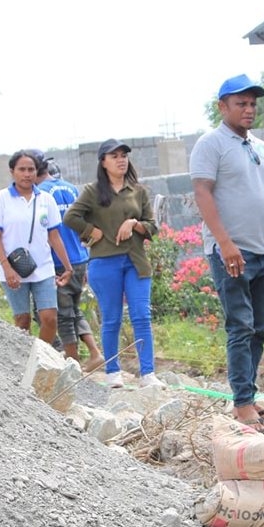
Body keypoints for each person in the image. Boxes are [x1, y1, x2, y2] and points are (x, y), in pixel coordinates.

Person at [190, 73, 264, 434]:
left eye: (252, 103)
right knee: (240, 326)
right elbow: (203, 193)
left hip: (263, 250)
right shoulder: (211, 144)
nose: (249, 109)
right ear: (222, 107)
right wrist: (225, 243)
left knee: (259, 327)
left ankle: (249, 396)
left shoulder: (257, 146)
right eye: (241, 103)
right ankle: (242, 404)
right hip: (230, 251)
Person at [64, 139, 164, 389]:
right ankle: (112, 371)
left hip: (136, 262)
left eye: (124, 155)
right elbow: (70, 217)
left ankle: (148, 373)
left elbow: (152, 225)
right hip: (105, 263)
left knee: (141, 316)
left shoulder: (138, 191)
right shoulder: (93, 191)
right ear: (103, 162)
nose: (121, 160)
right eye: (114, 156)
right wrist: (91, 231)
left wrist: (134, 224)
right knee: (112, 318)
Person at [0, 150, 73, 343]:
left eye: (31, 169)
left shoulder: (46, 199)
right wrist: (6, 268)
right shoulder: (1, 199)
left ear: (37, 172)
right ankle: (24, 364)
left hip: (43, 267)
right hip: (12, 268)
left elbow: (54, 236)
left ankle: (41, 359)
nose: (27, 174)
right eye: (22, 169)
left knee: (49, 318)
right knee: (22, 320)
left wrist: (68, 267)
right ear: (12, 172)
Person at [36, 157, 105, 373]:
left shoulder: (41, 195)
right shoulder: (71, 189)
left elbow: (44, 229)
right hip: (80, 256)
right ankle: (94, 353)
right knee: (73, 309)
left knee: (63, 314)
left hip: (59, 260)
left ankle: (72, 362)